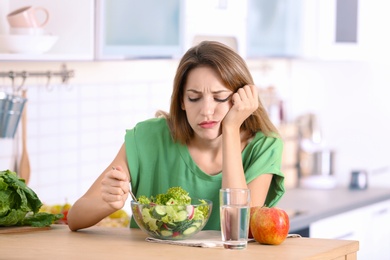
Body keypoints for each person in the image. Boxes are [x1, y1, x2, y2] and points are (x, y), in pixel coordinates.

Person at [67, 41, 285, 231]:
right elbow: (75, 218)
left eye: (219, 97)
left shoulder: (265, 146)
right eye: (194, 97)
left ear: (241, 98)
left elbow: (239, 226)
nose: (206, 110)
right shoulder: (148, 137)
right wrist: (108, 202)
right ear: (181, 101)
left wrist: (230, 129)